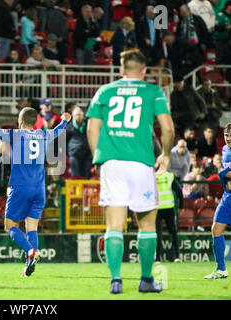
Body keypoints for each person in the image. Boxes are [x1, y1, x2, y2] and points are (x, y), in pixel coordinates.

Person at [86, 49, 175, 294]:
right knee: (146, 226)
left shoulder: (105, 91)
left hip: (112, 163)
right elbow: (167, 129)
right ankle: (146, 280)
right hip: (141, 163)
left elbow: (92, 128)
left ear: (121, 70)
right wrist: (166, 155)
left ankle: (116, 280)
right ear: (144, 70)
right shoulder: (153, 91)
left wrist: (98, 157)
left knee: (114, 225)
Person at [0, 106, 70, 277]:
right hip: (39, 188)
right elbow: (57, 130)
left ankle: (31, 252)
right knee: (32, 227)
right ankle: (28, 266)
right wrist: (65, 120)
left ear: (21, 121)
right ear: (35, 122)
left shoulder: (15, 135)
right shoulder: (43, 134)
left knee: (10, 226)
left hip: (21, 187)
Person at [204, 122, 231, 279]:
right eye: (226, 135)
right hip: (227, 197)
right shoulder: (224, 150)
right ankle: (221, 269)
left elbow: (228, 172)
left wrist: (228, 173)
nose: (228, 138)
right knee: (215, 230)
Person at [155, 170, 183, 263]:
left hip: (157, 208)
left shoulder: (152, 176)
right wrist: (181, 206)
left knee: (158, 233)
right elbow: (179, 191)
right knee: (173, 232)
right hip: (169, 207)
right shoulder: (169, 176)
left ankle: (157, 258)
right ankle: (177, 257)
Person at [66, 106, 92, 179]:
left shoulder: (88, 125)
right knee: (75, 176)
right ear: (73, 116)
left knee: (86, 176)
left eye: (80, 115)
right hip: (74, 154)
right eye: (77, 115)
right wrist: (67, 153)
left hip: (87, 154)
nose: (79, 116)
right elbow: (64, 142)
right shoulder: (68, 127)